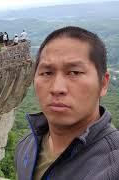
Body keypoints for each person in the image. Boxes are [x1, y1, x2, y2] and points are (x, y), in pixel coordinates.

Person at [15, 26, 119, 180]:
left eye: (74, 73)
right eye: (47, 73)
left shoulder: (112, 166)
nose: (57, 88)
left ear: (103, 83)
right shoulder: (26, 146)